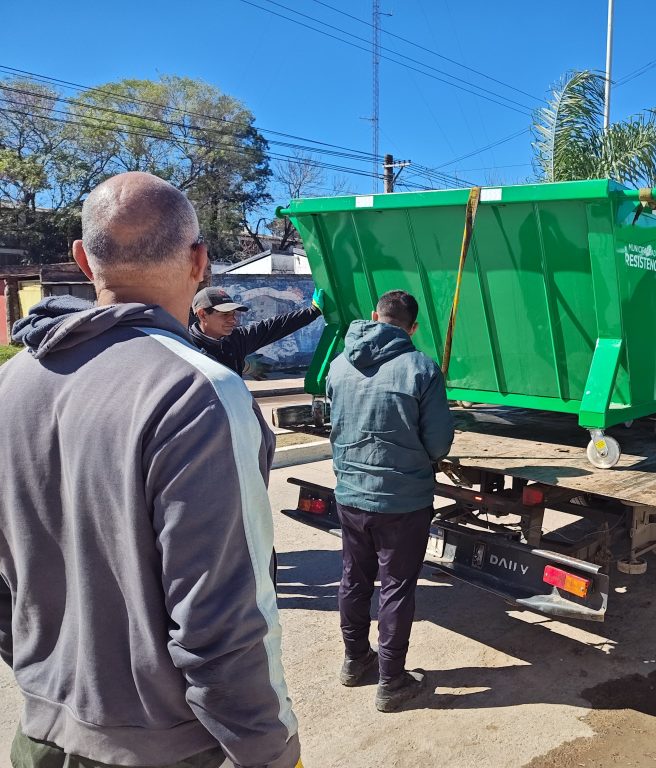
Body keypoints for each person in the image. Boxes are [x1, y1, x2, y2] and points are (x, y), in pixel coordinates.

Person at [0, 172, 300, 768]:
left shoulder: (12, 383)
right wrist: (270, 751)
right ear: (200, 262)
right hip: (170, 749)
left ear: (82, 259)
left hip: (42, 735)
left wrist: (48, 678)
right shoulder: (199, 392)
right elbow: (222, 617)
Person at [326, 290, 455, 713]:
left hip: (351, 495)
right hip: (402, 502)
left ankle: (354, 661)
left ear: (374, 316)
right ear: (412, 327)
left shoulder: (339, 364)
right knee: (396, 588)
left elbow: (334, 424)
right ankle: (391, 682)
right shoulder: (421, 368)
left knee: (353, 578)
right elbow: (439, 444)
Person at [189, 284, 323, 376]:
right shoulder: (186, 347)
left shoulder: (236, 339)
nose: (233, 320)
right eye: (225, 314)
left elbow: (275, 326)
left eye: (233, 314)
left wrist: (313, 311)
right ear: (202, 315)